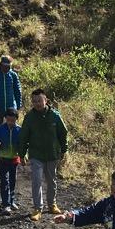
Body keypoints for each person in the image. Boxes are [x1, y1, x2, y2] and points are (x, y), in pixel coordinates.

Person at [22, 88, 68, 220]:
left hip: (52, 154)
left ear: (45, 100)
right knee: (36, 181)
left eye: (39, 101)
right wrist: (22, 153)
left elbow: (63, 133)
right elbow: (24, 136)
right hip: (36, 154)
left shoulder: (55, 116)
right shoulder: (29, 117)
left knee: (51, 181)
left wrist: (64, 149)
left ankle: (52, 204)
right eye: (34, 101)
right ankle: (37, 208)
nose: (37, 103)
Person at [0, 108, 26, 214]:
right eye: (8, 120)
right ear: (5, 118)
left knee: (12, 181)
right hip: (3, 159)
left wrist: (23, 157)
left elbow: (22, 145)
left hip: (14, 159)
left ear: (16, 119)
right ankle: (5, 204)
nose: (10, 122)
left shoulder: (19, 130)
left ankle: (11, 201)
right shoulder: (0, 129)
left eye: (13, 120)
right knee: (4, 181)